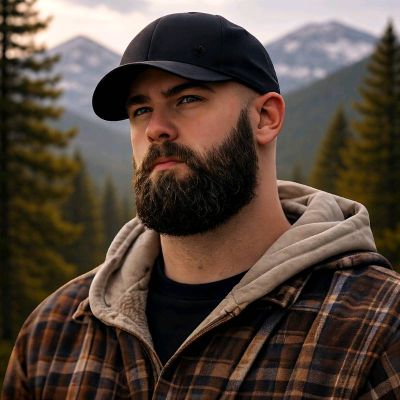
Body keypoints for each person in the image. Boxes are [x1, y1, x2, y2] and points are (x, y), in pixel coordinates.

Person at [3, 12, 400, 399]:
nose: (155, 128)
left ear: (265, 118)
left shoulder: (376, 329)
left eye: (187, 99)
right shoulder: (55, 332)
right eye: (140, 110)